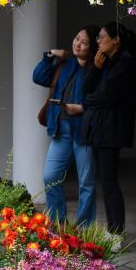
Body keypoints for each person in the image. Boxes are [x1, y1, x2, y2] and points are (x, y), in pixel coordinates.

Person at [32, 25, 100, 227]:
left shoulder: (96, 69)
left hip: (84, 131)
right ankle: (57, 222)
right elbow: (39, 77)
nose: (78, 44)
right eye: (77, 38)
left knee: (86, 182)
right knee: (50, 176)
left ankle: (85, 227)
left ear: (92, 47)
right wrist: (49, 55)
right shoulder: (66, 64)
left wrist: (80, 108)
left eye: (84, 42)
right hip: (61, 129)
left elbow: (101, 99)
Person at [82, 22, 136, 232]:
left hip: (111, 128)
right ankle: (113, 229)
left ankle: (116, 231)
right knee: (105, 181)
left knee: (109, 181)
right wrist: (95, 69)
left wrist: (90, 100)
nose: (98, 41)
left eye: (102, 37)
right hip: (102, 128)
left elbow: (105, 96)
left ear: (115, 40)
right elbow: (86, 89)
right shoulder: (105, 61)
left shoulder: (126, 62)